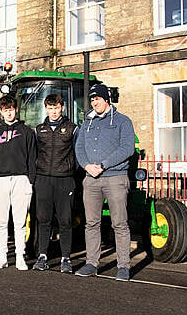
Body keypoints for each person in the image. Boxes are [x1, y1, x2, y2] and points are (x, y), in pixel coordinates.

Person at [74, 83, 135, 281]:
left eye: (97, 99)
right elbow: (79, 147)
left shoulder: (122, 121)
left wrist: (104, 164)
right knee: (91, 223)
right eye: (92, 100)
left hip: (115, 178)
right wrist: (86, 166)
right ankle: (91, 263)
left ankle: (123, 266)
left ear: (106, 99)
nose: (94, 102)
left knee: (120, 223)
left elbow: (127, 148)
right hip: (91, 179)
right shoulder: (87, 123)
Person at [0, 94, 36, 271]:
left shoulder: (27, 132)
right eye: (5, 110)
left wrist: (30, 180)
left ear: (16, 110)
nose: (9, 113)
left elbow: (32, 157)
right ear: (1, 112)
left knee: (20, 222)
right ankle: (2, 256)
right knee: (0, 222)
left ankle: (20, 257)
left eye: (11, 110)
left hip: (21, 179)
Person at [32, 94, 78, 273]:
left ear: (62, 108)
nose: (53, 112)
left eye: (56, 108)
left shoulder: (72, 129)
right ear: (46, 109)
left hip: (65, 179)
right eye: (50, 108)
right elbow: (34, 153)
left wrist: (72, 171)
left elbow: (78, 153)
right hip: (43, 179)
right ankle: (42, 256)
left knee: (65, 220)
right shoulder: (39, 129)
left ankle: (66, 258)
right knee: (44, 219)